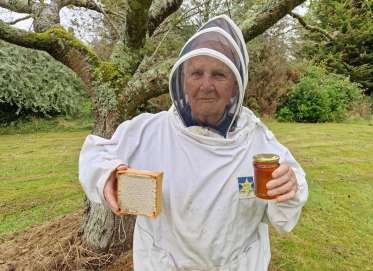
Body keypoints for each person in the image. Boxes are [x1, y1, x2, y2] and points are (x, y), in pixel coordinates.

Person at [79, 15, 308, 271]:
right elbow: (95, 153)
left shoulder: (257, 140)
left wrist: (289, 188)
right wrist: (107, 176)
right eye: (196, 73)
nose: (206, 85)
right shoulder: (150, 131)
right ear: (183, 80)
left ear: (235, 86)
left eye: (219, 74)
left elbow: (284, 217)